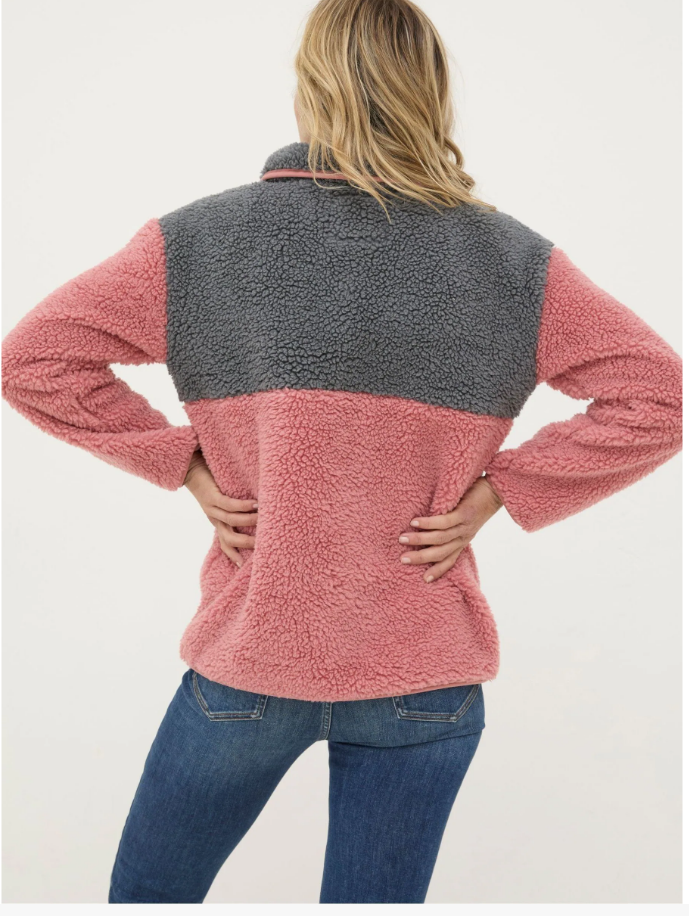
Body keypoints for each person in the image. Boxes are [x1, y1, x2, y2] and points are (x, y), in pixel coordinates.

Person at [2, 0, 682, 905]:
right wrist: (496, 494)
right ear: (429, 92)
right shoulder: (511, 260)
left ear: (310, 86)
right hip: (423, 669)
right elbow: (658, 396)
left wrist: (185, 467)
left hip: (254, 655)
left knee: (146, 899)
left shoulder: (198, 241)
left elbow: (33, 361)